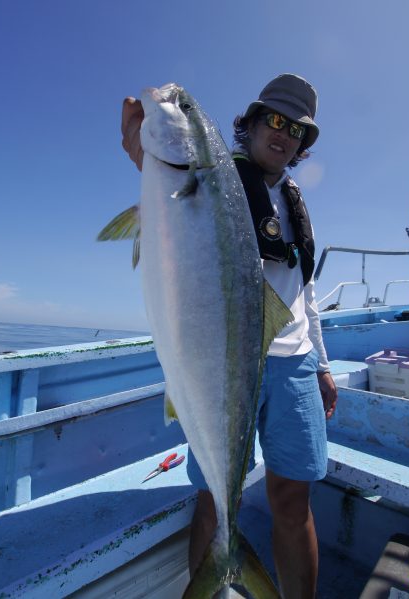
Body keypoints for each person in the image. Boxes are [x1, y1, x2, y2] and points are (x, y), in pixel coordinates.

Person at [121, 73, 337, 599]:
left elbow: (302, 293)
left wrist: (324, 365)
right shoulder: (219, 176)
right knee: (212, 500)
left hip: (295, 363)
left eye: (298, 131)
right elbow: (180, 200)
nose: (284, 134)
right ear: (254, 122)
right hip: (223, 362)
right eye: (276, 121)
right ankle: (215, 577)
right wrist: (145, 151)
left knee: (292, 501)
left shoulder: (293, 201)